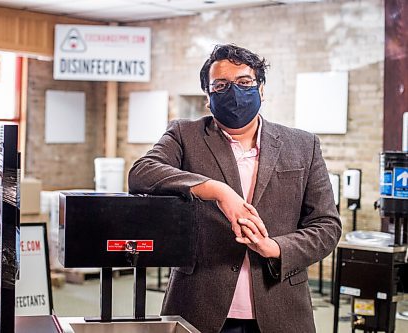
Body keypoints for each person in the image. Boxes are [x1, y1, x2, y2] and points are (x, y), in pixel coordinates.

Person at [128, 44, 341, 333]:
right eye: (221, 85)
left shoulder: (302, 145)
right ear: (208, 96)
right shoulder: (184, 135)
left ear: (261, 89)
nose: (234, 92)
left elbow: (326, 225)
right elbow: (142, 173)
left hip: (281, 308)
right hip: (199, 306)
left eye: (244, 83)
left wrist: (274, 247)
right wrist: (216, 190)